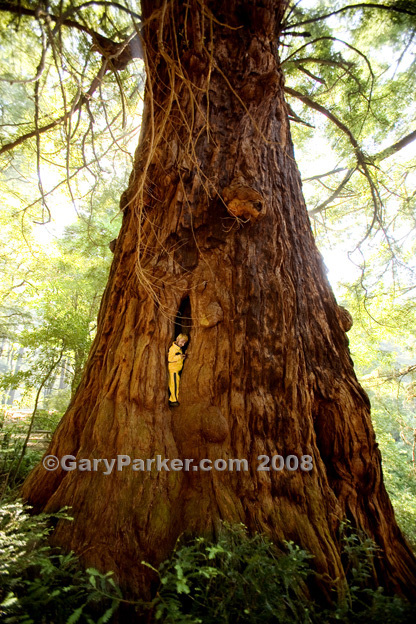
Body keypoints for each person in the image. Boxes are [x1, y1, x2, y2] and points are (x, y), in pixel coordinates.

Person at [168, 334, 188, 406]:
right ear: (177, 339)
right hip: (173, 371)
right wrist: (179, 357)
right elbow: (170, 359)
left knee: (176, 384)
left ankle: (174, 398)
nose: (182, 344)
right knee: (174, 385)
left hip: (176, 370)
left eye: (184, 343)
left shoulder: (179, 349)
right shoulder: (173, 349)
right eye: (182, 342)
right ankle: (173, 400)